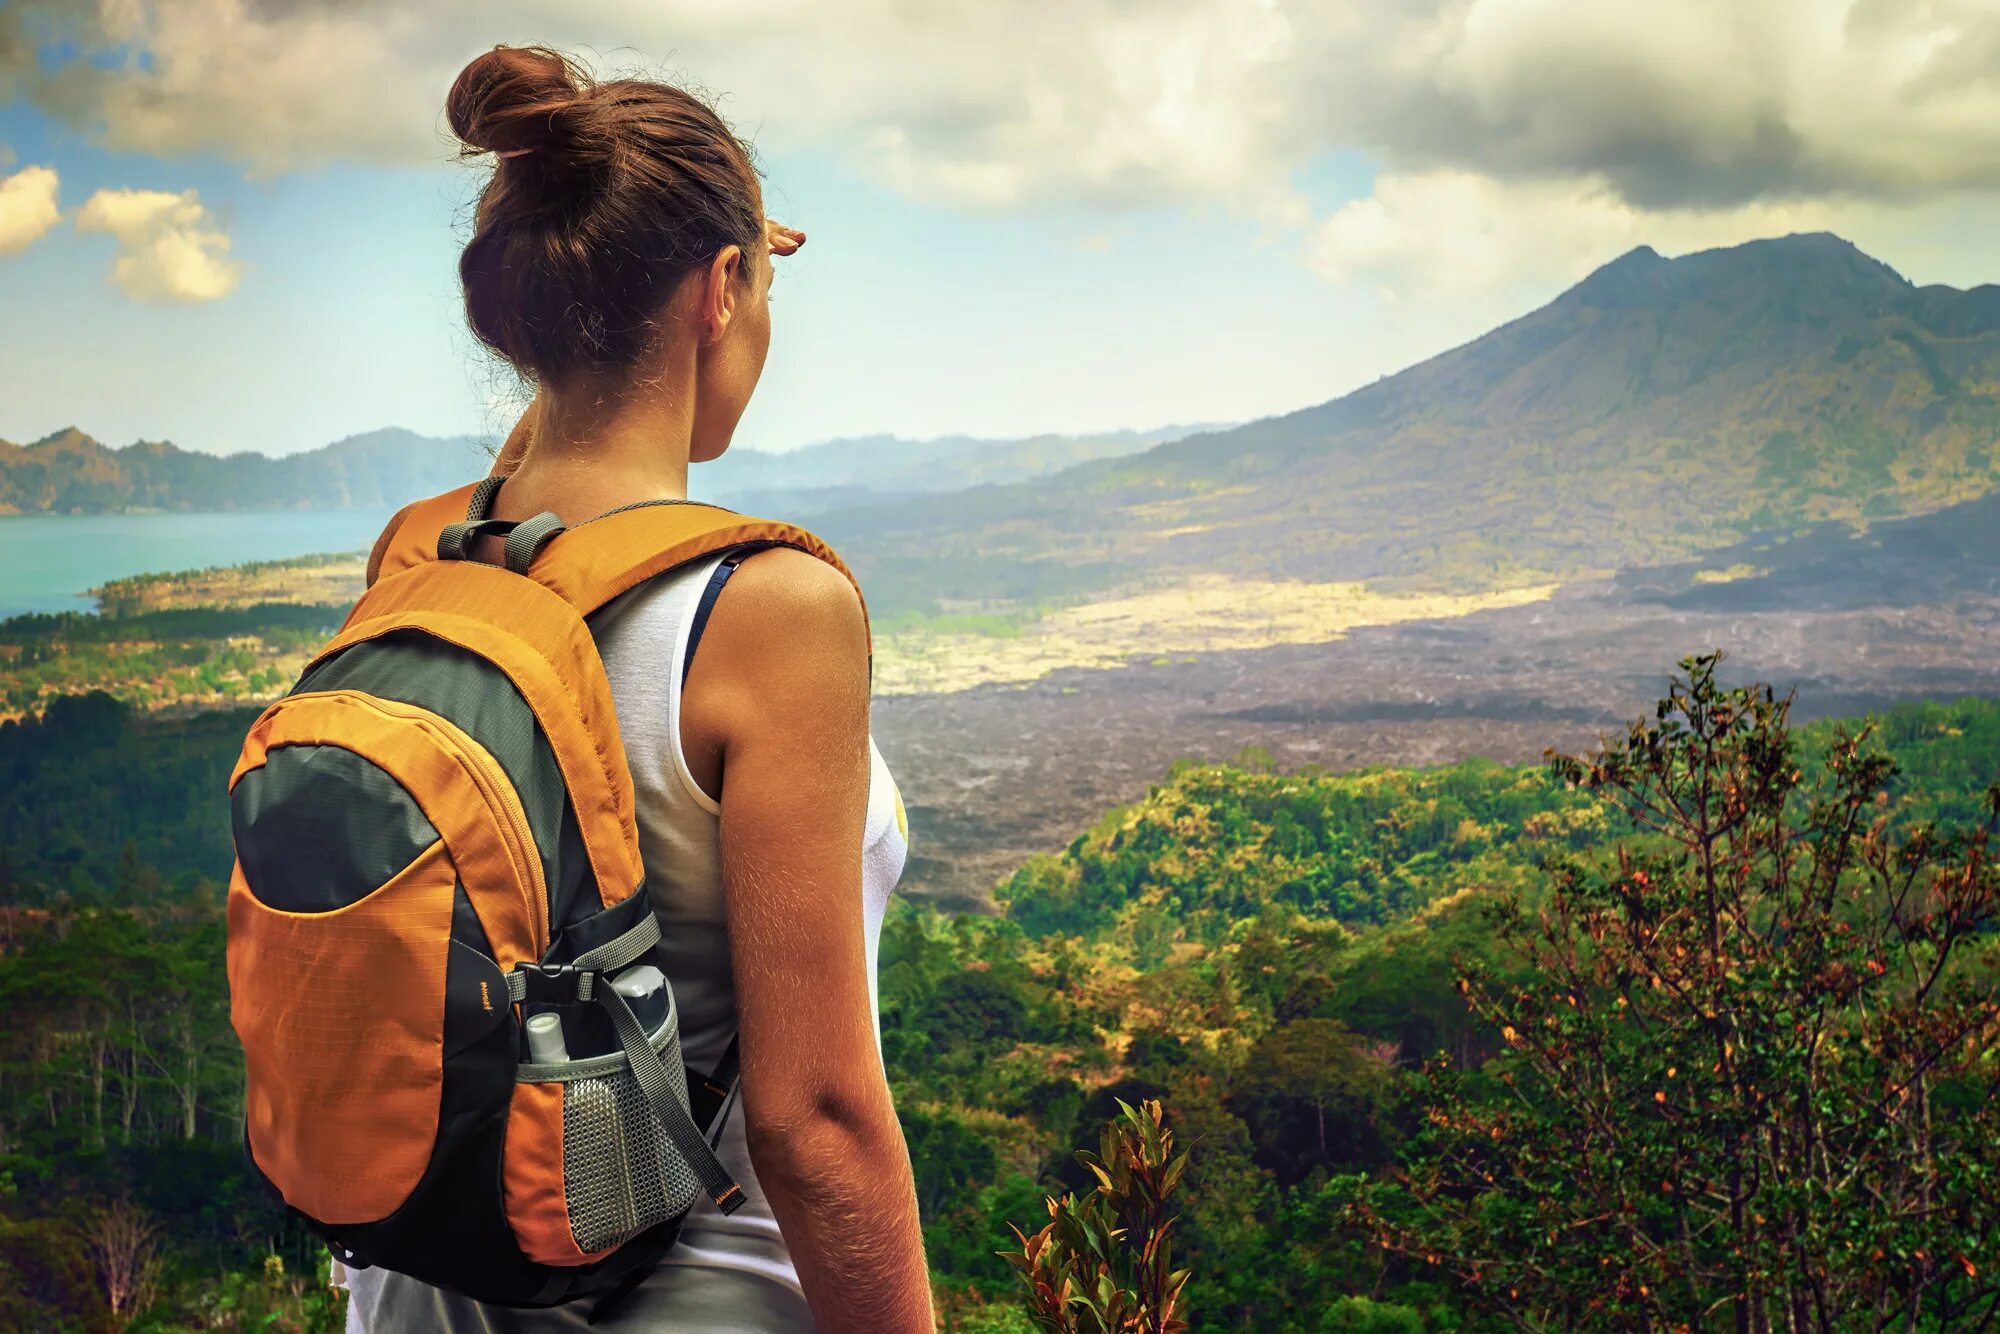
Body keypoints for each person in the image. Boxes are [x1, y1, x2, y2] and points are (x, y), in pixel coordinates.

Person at [340, 44, 933, 1333]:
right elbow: (813, 1119)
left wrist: (680, 251)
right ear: (724, 290)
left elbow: (557, 471)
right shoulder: (770, 611)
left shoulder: (423, 559)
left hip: (412, 1304)